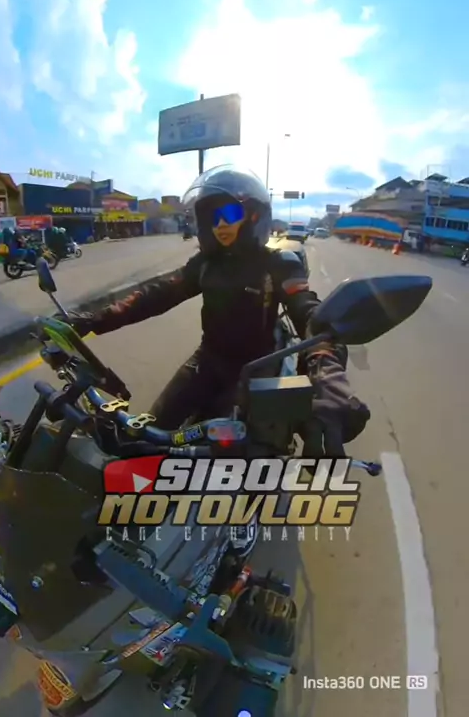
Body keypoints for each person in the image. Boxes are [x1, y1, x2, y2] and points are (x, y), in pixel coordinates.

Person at [67, 165, 370, 547]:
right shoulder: (204, 265)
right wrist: (92, 320)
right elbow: (157, 294)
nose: (220, 225)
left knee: (243, 468)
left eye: (228, 213)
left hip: (255, 373)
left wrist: (327, 379)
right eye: (211, 217)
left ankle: (242, 527)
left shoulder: (279, 264)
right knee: (147, 439)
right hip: (208, 361)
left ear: (254, 215)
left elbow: (311, 316)